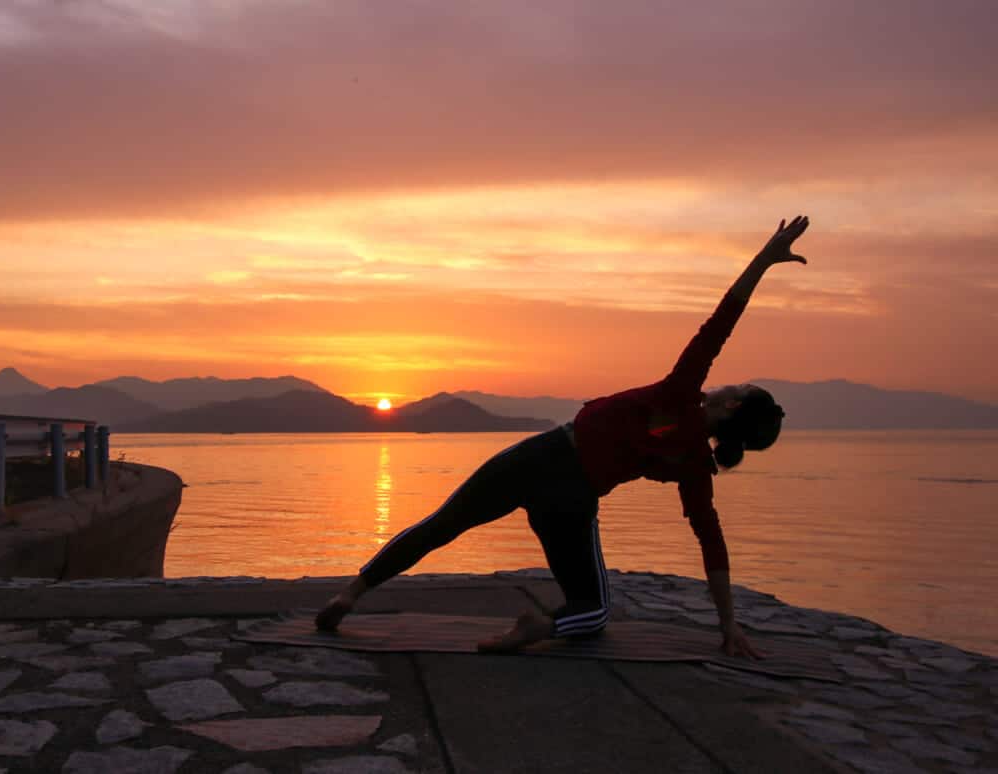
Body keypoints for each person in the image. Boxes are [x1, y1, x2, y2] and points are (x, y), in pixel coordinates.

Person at [317, 215, 810, 658]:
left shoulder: (682, 394)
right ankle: (543, 624)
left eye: (740, 387)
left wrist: (763, 261)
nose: (731, 382)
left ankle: (351, 594)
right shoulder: (693, 463)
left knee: (443, 524)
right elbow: (711, 543)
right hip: (571, 501)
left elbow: (722, 320)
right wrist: (727, 625)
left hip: (544, 456)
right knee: (593, 613)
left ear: (732, 406)